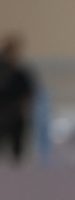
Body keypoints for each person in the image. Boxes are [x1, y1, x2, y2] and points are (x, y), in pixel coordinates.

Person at [0, 35, 35, 164]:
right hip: (2, 114)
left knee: (17, 151)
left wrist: (24, 110)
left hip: (15, 115)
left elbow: (28, 94)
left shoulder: (20, 73)